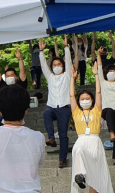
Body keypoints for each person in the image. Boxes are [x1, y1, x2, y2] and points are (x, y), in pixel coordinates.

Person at [69, 67, 114, 193]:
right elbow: (70, 95)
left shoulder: (96, 110)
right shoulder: (76, 112)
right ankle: (80, 175)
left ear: (92, 100)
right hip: (82, 139)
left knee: (94, 176)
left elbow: (100, 92)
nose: (84, 100)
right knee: (78, 150)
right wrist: (72, 79)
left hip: (95, 141)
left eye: (87, 98)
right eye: (82, 98)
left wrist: (96, 75)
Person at [39, 35, 72, 168]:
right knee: (46, 113)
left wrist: (66, 48)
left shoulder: (67, 76)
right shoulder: (50, 77)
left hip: (64, 108)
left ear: (62, 66)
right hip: (52, 106)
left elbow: (69, 63)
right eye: (54, 65)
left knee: (63, 135)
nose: (57, 66)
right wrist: (41, 52)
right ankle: (51, 138)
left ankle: (62, 159)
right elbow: (43, 67)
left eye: (59, 64)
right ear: (51, 67)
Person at [0, 46, 28, 128]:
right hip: (4, 114)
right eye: (7, 76)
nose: (9, 77)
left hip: (17, 115)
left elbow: (22, 72)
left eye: (11, 75)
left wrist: (20, 59)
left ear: (16, 77)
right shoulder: (2, 86)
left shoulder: (20, 85)